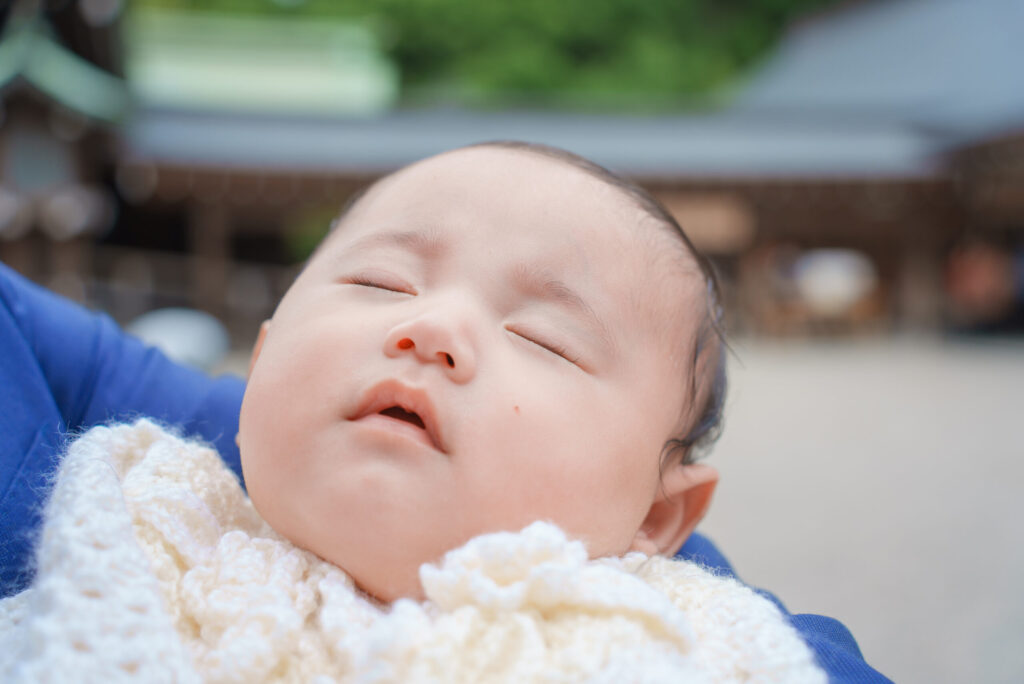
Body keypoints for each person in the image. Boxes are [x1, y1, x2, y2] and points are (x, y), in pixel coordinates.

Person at [0, 142, 890, 682]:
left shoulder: (682, 643)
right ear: (258, 368)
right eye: (380, 282)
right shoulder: (136, 510)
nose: (430, 327)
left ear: (658, 516)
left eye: (546, 338)